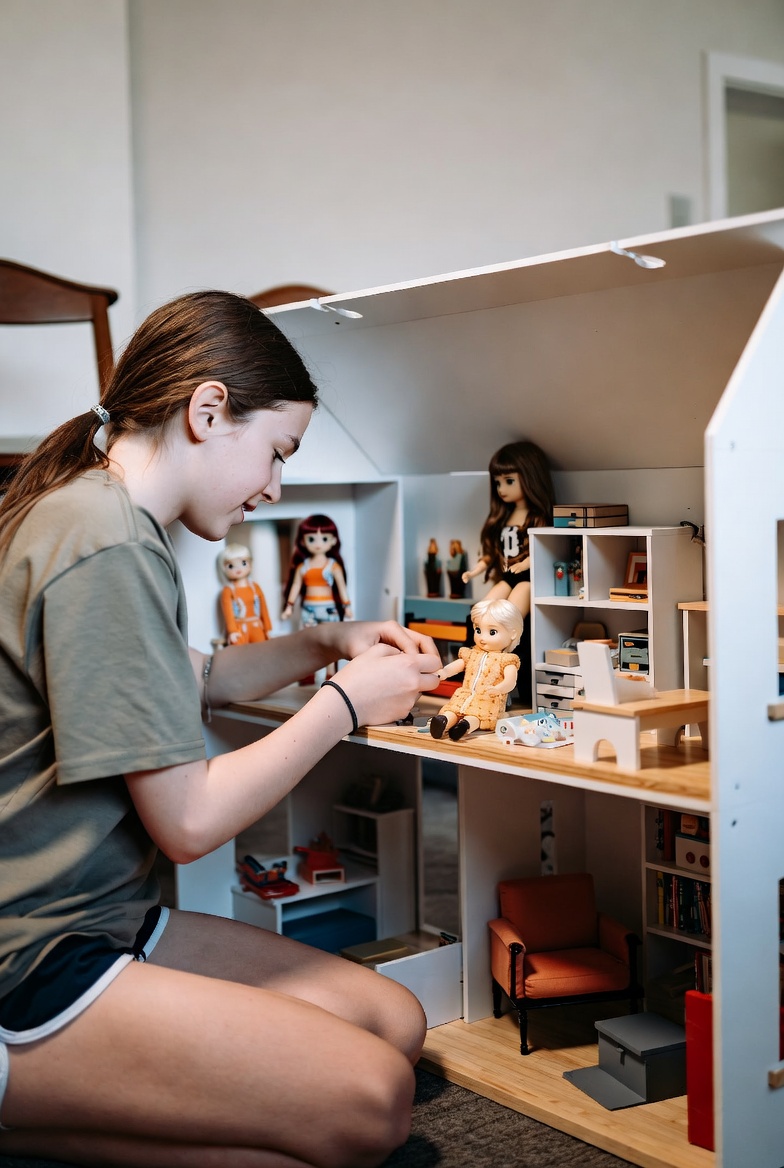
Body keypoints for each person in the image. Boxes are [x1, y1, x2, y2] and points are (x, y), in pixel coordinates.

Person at [0, 290, 441, 1168]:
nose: (275, 486)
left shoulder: (107, 514)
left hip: (104, 917)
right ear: (207, 412)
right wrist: (345, 703)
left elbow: (189, 678)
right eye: (277, 452)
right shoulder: (105, 541)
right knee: (372, 1105)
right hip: (34, 951)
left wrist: (327, 642)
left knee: (395, 1022)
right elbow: (189, 821)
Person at [461, 440, 555, 708]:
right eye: (498, 483)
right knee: (480, 612)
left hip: (528, 579)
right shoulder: (502, 517)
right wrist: (475, 570)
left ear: (530, 478)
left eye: (509, 481)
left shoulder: (538, 517)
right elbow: (492, 554)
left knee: (506, 619)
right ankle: (477, 671)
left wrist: (526, 564)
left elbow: (544, 549)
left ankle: (503, 676)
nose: (501, 489)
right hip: (507, 577)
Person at [429, 598, 523, 741]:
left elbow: (511, 681)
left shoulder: (507, 660)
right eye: (478, 630)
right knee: (453, 710)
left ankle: (464, 727)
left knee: (478, 717)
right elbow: (459, 664)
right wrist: (445, 672)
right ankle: (444, 722)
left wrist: (499, 689)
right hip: (465, 694)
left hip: (488, 698)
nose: (482, 638)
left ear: (512, 634)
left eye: (492, 632)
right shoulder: (471, 654)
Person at [281, 514, 351, 626]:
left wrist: (347, 606)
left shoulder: (333, 566)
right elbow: (296, 586)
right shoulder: (302, 567)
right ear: (303, 541)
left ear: (333, 540)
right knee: (310, 635)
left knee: (330, 634)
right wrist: (289, 606)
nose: (318, 544)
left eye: (324, 539)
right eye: (311, 539)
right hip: (309, 608)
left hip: (328, 607)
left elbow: (342, 587)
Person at [217, 542, 273, 645]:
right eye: (231, 566)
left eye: (243, 563)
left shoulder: (255, 587)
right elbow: (228, 613)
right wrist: (232, 631)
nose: (238, 569)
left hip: (256, 625)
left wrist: (267, 628)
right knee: (238, 649)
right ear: (224, 569)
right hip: (239, 628)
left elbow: (263, 609)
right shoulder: (228, 590)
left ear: (250, 564)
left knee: (261, 647)